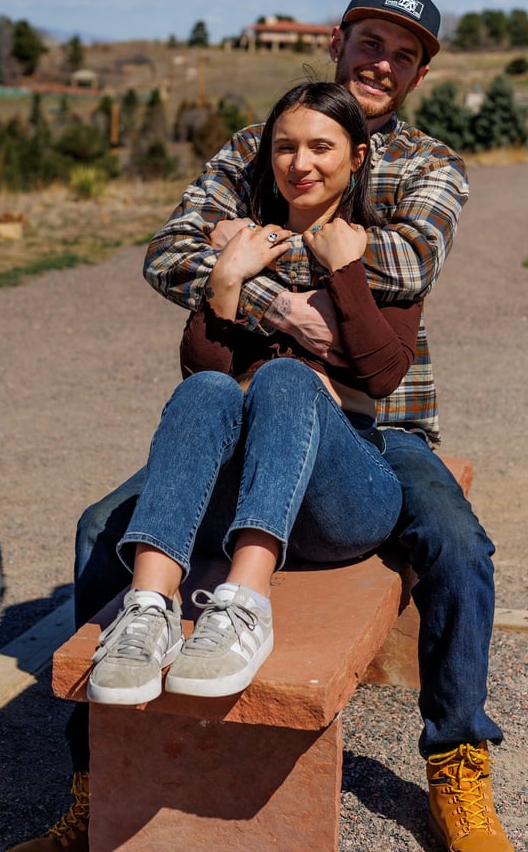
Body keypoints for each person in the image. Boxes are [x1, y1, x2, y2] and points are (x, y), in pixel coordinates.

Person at [9, 0, 513, 852]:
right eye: (370, 42)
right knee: (100, 528)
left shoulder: (431, 164)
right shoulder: (257, 144)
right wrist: (280, 305)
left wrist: (251, 258)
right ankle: (96, 777)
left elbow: (409, 265)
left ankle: (457, 760)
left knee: (458, 546)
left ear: (420, 73)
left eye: (403, 54)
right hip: (248, 404)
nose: (381, 64)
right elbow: (170, 253)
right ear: (337, 42)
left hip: (380, 420)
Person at [86, 79, 418, 706]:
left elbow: (382, 375)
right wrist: (228, 278)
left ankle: (245, 606)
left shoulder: (379, 254)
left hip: (343, 497)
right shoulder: (245, 244)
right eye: (285, 147)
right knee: (211, 388)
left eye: (321, 147)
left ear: (357, 156)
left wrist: (346, 271)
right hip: (239, 492)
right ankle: (148, 610)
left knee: (283, 377)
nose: (301, 164)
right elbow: (201, 366)